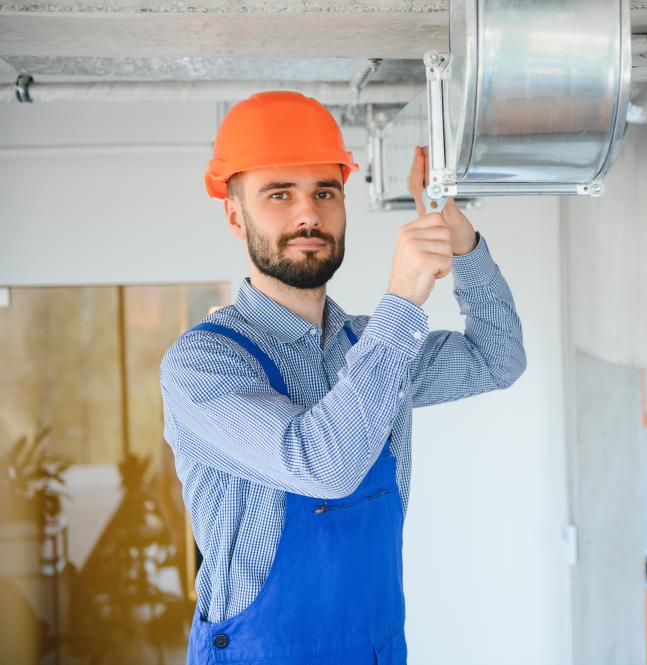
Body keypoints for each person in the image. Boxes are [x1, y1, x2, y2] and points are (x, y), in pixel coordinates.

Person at [159, 90, 526, 664]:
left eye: (324, 192)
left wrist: (463, 241)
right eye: (279, 194)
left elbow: (497, 357)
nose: (308, 213)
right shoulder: (203, 365)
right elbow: (323, 465)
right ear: (235, 215)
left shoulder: (370, 343)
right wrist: (402, 300)